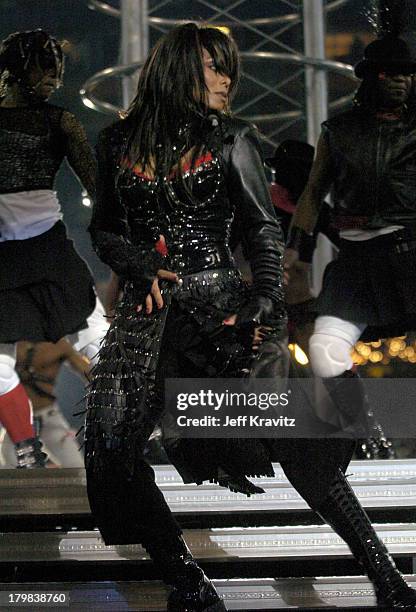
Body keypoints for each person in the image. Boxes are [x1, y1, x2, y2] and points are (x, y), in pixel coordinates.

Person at [85, 22, 416, 611]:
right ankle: (187, 581)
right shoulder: (116, 141)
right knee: (109, 447)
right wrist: (138, 266)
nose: (227, 79)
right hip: (145, 317)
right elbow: (105, 228)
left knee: (295, 442)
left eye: (229, 68)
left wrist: (267, 294)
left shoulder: (233, 136)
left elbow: (261, 225)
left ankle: (384, 573)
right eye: (214, 67)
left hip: (222, 316)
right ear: (180, 69)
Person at [0, 30, 107, 468]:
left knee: (97, 337)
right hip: (4, 256)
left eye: (55, 68)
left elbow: (97, 185)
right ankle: (27, 447)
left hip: (48, 244)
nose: (51, 77)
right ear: (13, 70)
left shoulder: (60, 121)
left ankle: (130, 421)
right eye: (42, 66)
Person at [267, 139, 394, 460]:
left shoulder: (313, 209)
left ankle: (368, 436)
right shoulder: (263, 202)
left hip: (296, 303)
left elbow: (351, 242)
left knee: (332, 368)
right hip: (267, 305)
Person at [0, 339, 89, 468]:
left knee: (76, 468)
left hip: (49, 418)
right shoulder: (7, 341)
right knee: (10, 472)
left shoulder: (58, 344)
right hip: (17, 421)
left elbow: (88, 373)